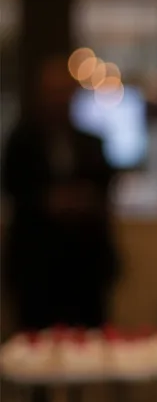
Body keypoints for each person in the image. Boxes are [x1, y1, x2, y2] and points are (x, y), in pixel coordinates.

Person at [2, 55, 120, 329]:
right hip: (37, 265)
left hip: (86, 267)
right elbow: (13, 188)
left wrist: (83, 200)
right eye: (52, 92)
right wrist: (48, 202)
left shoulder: (91, 142)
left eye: (63, 92)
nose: (58, 100)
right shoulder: (21, 141)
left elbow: (106, 188)